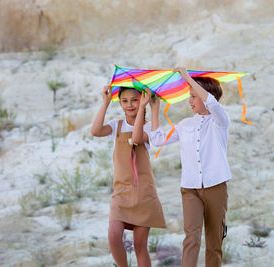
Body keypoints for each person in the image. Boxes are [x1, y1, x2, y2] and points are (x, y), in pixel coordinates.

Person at [149, 67, 230, 267]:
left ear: (206, 96)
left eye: (193, 95)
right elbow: (158, 140)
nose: (189, 100)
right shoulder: (185, 125)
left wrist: (187, 78)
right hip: (189, 188)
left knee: (214, 241)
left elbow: (212, 103)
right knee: (191, 238)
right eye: (189, 95)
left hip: (215, 186)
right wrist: (154, 108)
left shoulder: (220, 121)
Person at [91, 85, 166, 267]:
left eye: (134, 99)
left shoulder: (150, 127)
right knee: (113, 235)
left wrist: (144, 108)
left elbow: (138, 137)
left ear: (143, 99)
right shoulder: (116, 125)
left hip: (143, 194)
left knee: (140, 246)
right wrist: (106, 102)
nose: (129, 104)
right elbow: (95, 131)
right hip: (121, 192)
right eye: (124, 101)